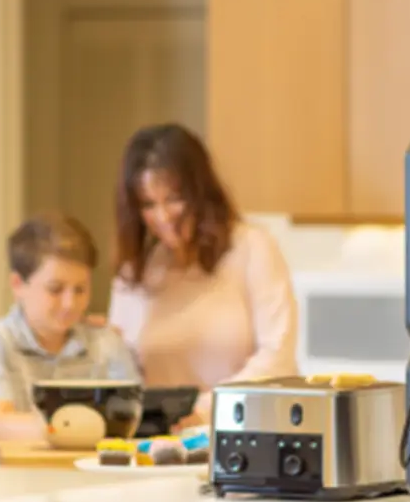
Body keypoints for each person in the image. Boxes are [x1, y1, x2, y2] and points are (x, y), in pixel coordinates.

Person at [107, 123, 298, 426]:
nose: (163, 216)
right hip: (160, 441)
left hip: (247, 432)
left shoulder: (251, 247)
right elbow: (122, 368)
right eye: (148, 204)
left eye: (174, 199)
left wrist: (202, 410)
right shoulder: (135, 271)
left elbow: (278, 356)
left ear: (200, 191)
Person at [0, 212, 139, 443]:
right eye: (55, 289)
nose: (70, 304)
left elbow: (134, 417)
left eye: (80, 290)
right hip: (15, 477)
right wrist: (80, 429)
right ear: (18, 285)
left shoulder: (107, 343)